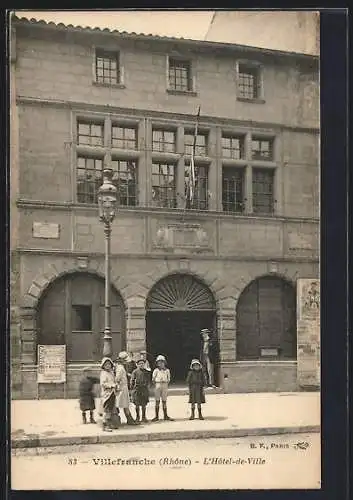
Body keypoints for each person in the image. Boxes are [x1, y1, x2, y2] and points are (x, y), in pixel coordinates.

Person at [115, 351, 138, 425]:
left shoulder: (120, 367)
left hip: (123, 387)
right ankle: (128, 419)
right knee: (124, 404)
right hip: (122, 387)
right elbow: (117, 379)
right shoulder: (120, 368)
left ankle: (128, 419)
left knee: (124, 404)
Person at [151, 354, 174, 422]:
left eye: (162, 362)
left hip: (164, 385)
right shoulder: (156, 370)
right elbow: (153, 379)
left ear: (164, 363)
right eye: (159, 362)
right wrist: (157, 383)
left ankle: (165, 415)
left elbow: (169, 378)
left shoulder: (167, 370)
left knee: (164, 401)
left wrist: (165, 382)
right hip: (158, 385)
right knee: (157, 401)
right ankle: (156, 416)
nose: (160, 364)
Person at [130, 357, 150, 423]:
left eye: (142, 363)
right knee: (137, 405)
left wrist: (147, 386)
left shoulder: (146, 372)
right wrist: (132, 388)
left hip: (144, 389)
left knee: (144, 405)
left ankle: (144, 417)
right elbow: (132, 380)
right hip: (137, 389)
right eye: (140, 364)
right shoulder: (135, 372)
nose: (141, 365)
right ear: (137, 365)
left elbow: (148, 380)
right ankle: (137, 417)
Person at [99, 357, 117, 432]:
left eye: (109, 364)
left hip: (112, 393)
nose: (108, 366)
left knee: (110, 409)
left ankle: (109, 423)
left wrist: (115, 385)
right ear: (103, 366)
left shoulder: (111, 372)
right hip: (106, 394)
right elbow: (103, 384)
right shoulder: (103, 373)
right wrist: (111, 385)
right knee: (106, 410)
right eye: (106, 364)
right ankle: (104, 425)